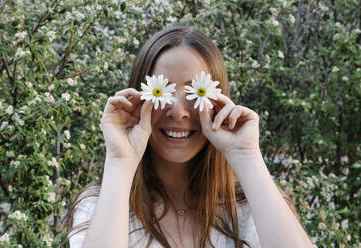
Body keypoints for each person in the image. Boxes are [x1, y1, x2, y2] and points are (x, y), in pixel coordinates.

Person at [65, 26, 315, 248]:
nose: (179, 111)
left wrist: (246, 155)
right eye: (163, 90)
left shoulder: (251, 206)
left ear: (217, 100)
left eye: (195, 92)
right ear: (141, 97)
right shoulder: (100, 205)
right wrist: (120, 160)